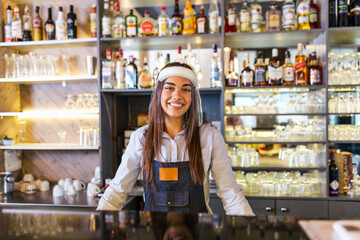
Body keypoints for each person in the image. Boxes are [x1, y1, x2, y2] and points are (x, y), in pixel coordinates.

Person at [97, 62, 254, 216]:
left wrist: (247, 225)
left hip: (197, 231)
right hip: (155, 231)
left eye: (185, 90)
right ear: (159, 92)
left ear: (193, 97)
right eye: (169, 88)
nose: (177, 95)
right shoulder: (140, 137)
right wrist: (100, 226)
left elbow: (230, 192)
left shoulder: (210, 137)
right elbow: (117, 190)